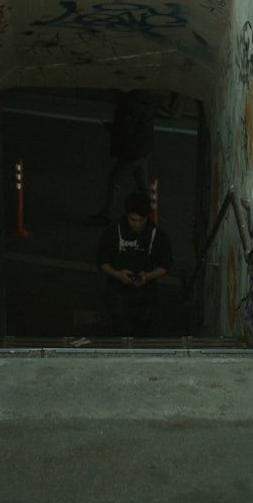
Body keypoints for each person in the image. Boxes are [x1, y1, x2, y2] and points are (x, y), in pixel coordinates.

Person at [95, 192, 173, 337]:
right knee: (119, 329)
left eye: (140, 220)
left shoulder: (157, 236)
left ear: (147, 217)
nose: (136, 224)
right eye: (132, 220)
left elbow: (165, 265)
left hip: (146, 296)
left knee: (143, 332)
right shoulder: (113, 233)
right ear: (126, 215)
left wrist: (148, 276)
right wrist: (117, 274)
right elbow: (101, 261)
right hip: (118, 293)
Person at [88, 89, 155, 226]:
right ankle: (150, 214)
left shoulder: (129, 107)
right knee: (143, 185)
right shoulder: (143, 103)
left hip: (132, 153)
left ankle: (106, 214)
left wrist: (113, 130)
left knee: (115, 182)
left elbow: (126, 131)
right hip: (144, 150)